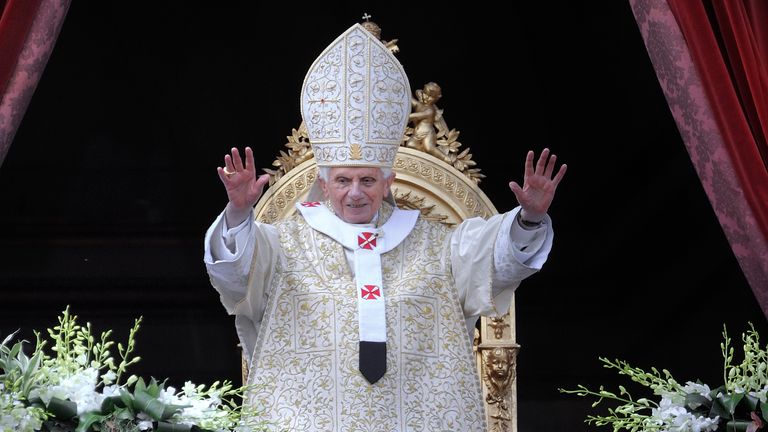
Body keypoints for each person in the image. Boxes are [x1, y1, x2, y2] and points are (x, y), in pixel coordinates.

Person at [204, 23, 566, 432]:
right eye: (343, 180)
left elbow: (500, 261)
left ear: (388, 181)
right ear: (324, 183)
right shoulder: (283, 245)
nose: (355, 193)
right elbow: (233, 275)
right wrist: (237, 213)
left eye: (368, 180)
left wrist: (530, 218)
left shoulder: (438, 245)